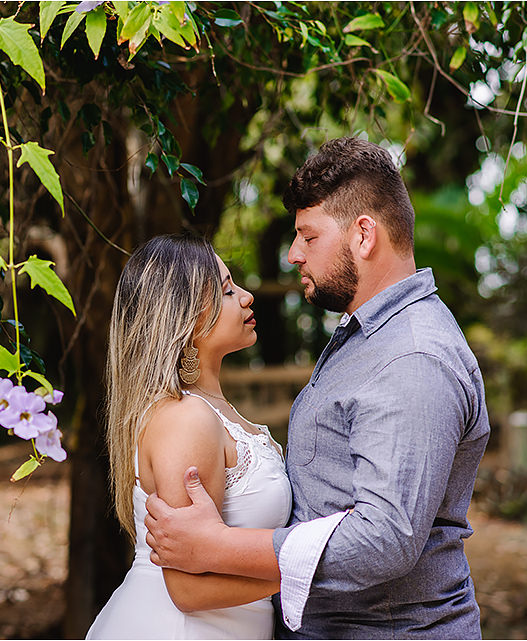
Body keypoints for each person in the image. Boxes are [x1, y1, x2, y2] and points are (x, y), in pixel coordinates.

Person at [144, 137, 491, 639]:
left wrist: (216, 548)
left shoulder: (413, 357)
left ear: (364, 236)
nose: (292, 254)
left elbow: (384, 539)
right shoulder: (367, 335)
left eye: (308, 236)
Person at [86, 234, 293, 639]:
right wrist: (306, 575)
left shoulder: (209, 410)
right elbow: (187, 589)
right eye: (228, 290)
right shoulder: (185, 418)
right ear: (189, 317)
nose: (247, 297)